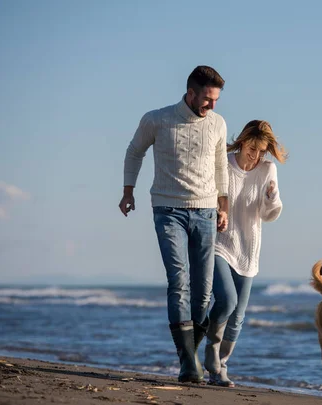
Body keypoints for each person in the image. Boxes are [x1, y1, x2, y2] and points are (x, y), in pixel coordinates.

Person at [118, 65, 229, 384]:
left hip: (207, 212)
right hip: (168, 210)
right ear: (191, 93)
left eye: (216, 99)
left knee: (203, 291)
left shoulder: (218, 123)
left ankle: (191, 355)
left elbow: (221, 164)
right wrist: (128, 191)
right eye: (208, 99)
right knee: (179, 281)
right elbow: (134, 151)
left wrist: (223, 206)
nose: (212, 105)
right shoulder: (157, 119)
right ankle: (188, 362)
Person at [203, 120, 287, 387]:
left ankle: (220, 367)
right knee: (226, 301)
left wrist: (272, 197)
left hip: (248, 250)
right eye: (252, 148)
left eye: (261, 150)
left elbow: (268, 214)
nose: (255, 155)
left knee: (237, 316)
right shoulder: (224, 164)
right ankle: (210, 352)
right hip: (220, 243)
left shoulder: (267, 169)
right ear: (242, 142)